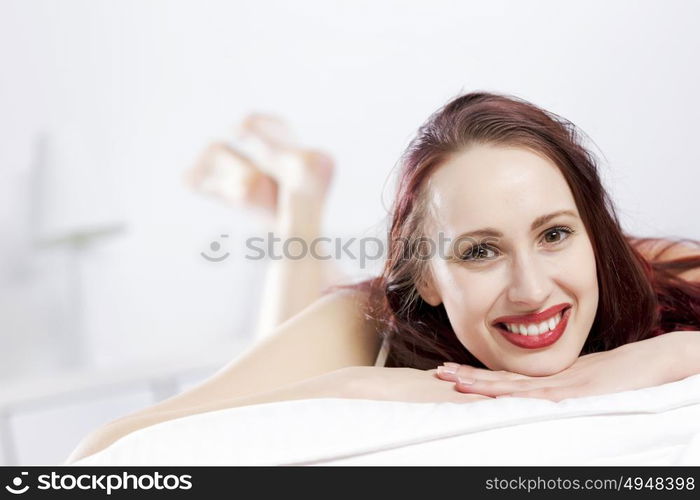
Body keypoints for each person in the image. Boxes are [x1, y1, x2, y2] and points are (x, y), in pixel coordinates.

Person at [65, 91, 700, 464]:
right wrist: (360, 389)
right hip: (372, 319)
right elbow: (103, 449)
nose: (533, 289)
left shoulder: (653, 268)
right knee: (287, 331)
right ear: (426, 275)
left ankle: (288, 191)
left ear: (594, 235)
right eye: (480, 251)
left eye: (555, 234)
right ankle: (297, 198)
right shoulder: (360, 325)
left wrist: (661, 355)